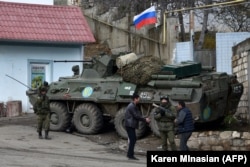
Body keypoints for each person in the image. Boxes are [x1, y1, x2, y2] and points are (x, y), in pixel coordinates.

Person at [125, 93, 150, 160]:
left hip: (131, 125)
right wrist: (145, 119)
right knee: (133, 140)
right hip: (130, 125)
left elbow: (138, 115)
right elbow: (136, 116)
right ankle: (130, 155)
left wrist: (144, 118)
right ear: (135, 99)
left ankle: (130, 154)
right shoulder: (132, 106)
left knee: (133, 139)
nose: (139, 100)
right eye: (139, 99)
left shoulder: (133, 105)